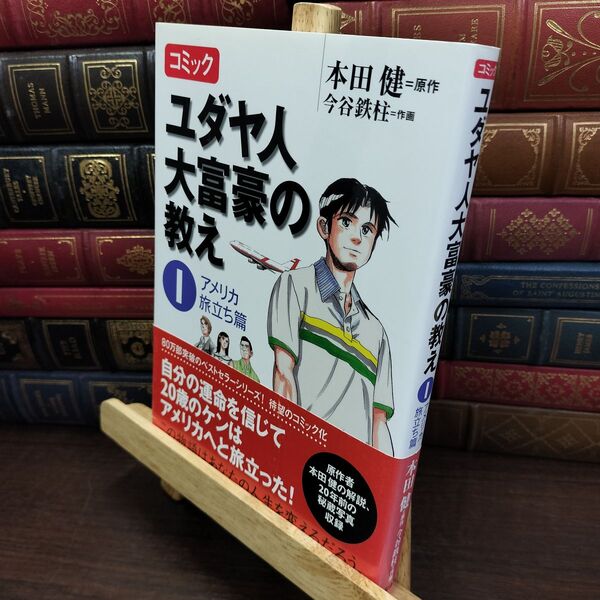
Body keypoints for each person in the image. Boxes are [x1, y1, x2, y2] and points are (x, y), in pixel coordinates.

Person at [267, 178, 396, 455]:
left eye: (367, 230)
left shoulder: (377, 333)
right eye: (347, 222)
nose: (357, 237)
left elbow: (379, 422)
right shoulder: (295, 285)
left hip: (349, 470)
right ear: (324, 227)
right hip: (301, 452)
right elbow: (283, 373)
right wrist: (286, 451)